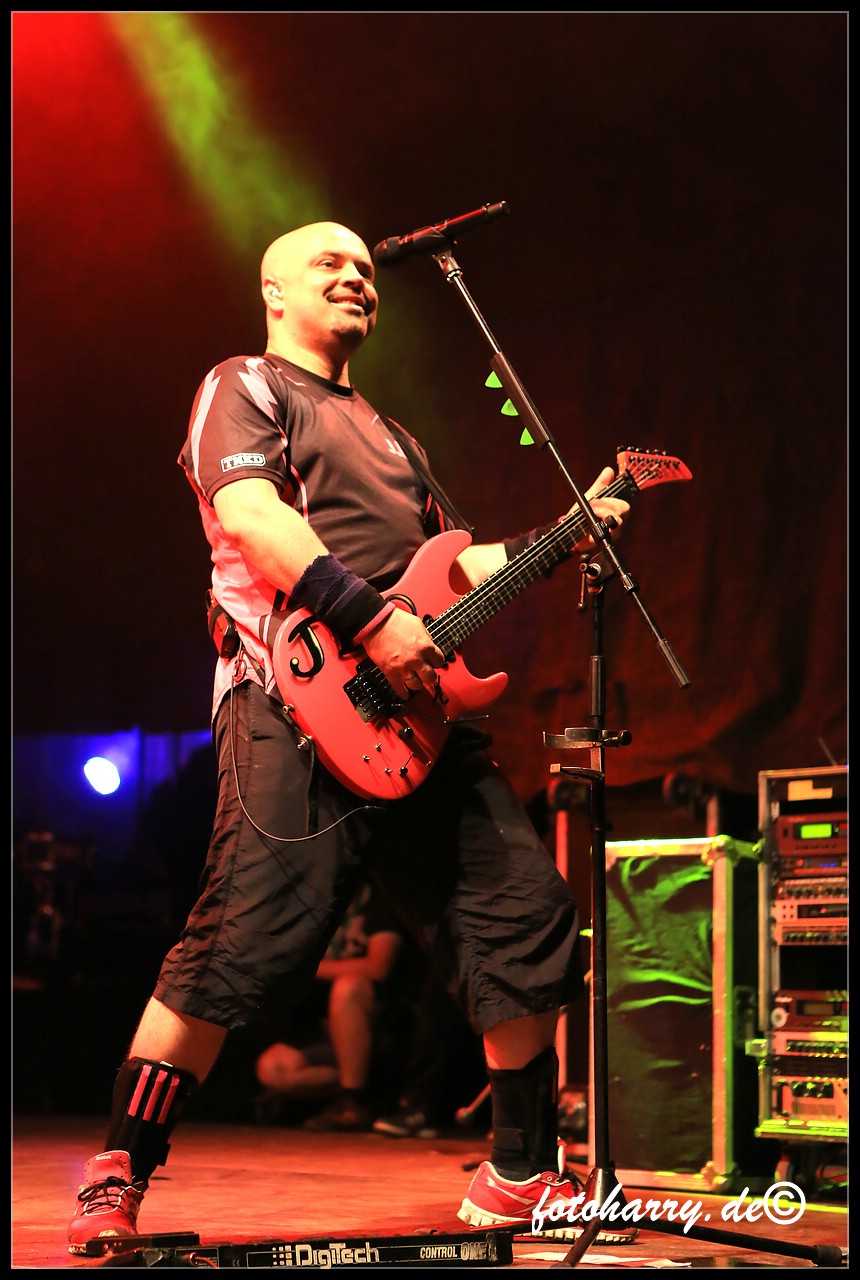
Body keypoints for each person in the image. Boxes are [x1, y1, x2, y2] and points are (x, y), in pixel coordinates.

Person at [67, 220, 631, 1253]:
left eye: (366, 269)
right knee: (238, 942)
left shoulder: (396, 436)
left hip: (412, 714)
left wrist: (568, 529)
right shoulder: (241, 384)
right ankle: (118, 1171)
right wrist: (369, 620)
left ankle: (521, 1170)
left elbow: (453, 567)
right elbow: (253, 518)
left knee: (522, 913)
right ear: (273, 289)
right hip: (290, 698)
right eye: (330, 262)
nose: (357, 277)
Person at [254, 877, 411, 1131]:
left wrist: (306, 969)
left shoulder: (379, 899)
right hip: (330, 1034)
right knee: (273, 1067)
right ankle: (366, 1088)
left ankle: (354, 1102)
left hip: (383, 1027)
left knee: (348, 987)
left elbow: (379, 967)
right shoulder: (316, 902)